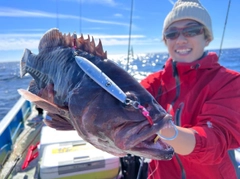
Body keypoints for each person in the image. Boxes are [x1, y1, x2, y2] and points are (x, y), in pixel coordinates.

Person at [140, 0, 240, 178]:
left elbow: (214, 140)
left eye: (191, 30)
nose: (180, 40)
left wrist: (164, 129)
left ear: (207, 37)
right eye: (172, 33)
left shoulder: (230, 82)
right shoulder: (153, 83)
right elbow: (121, 103)